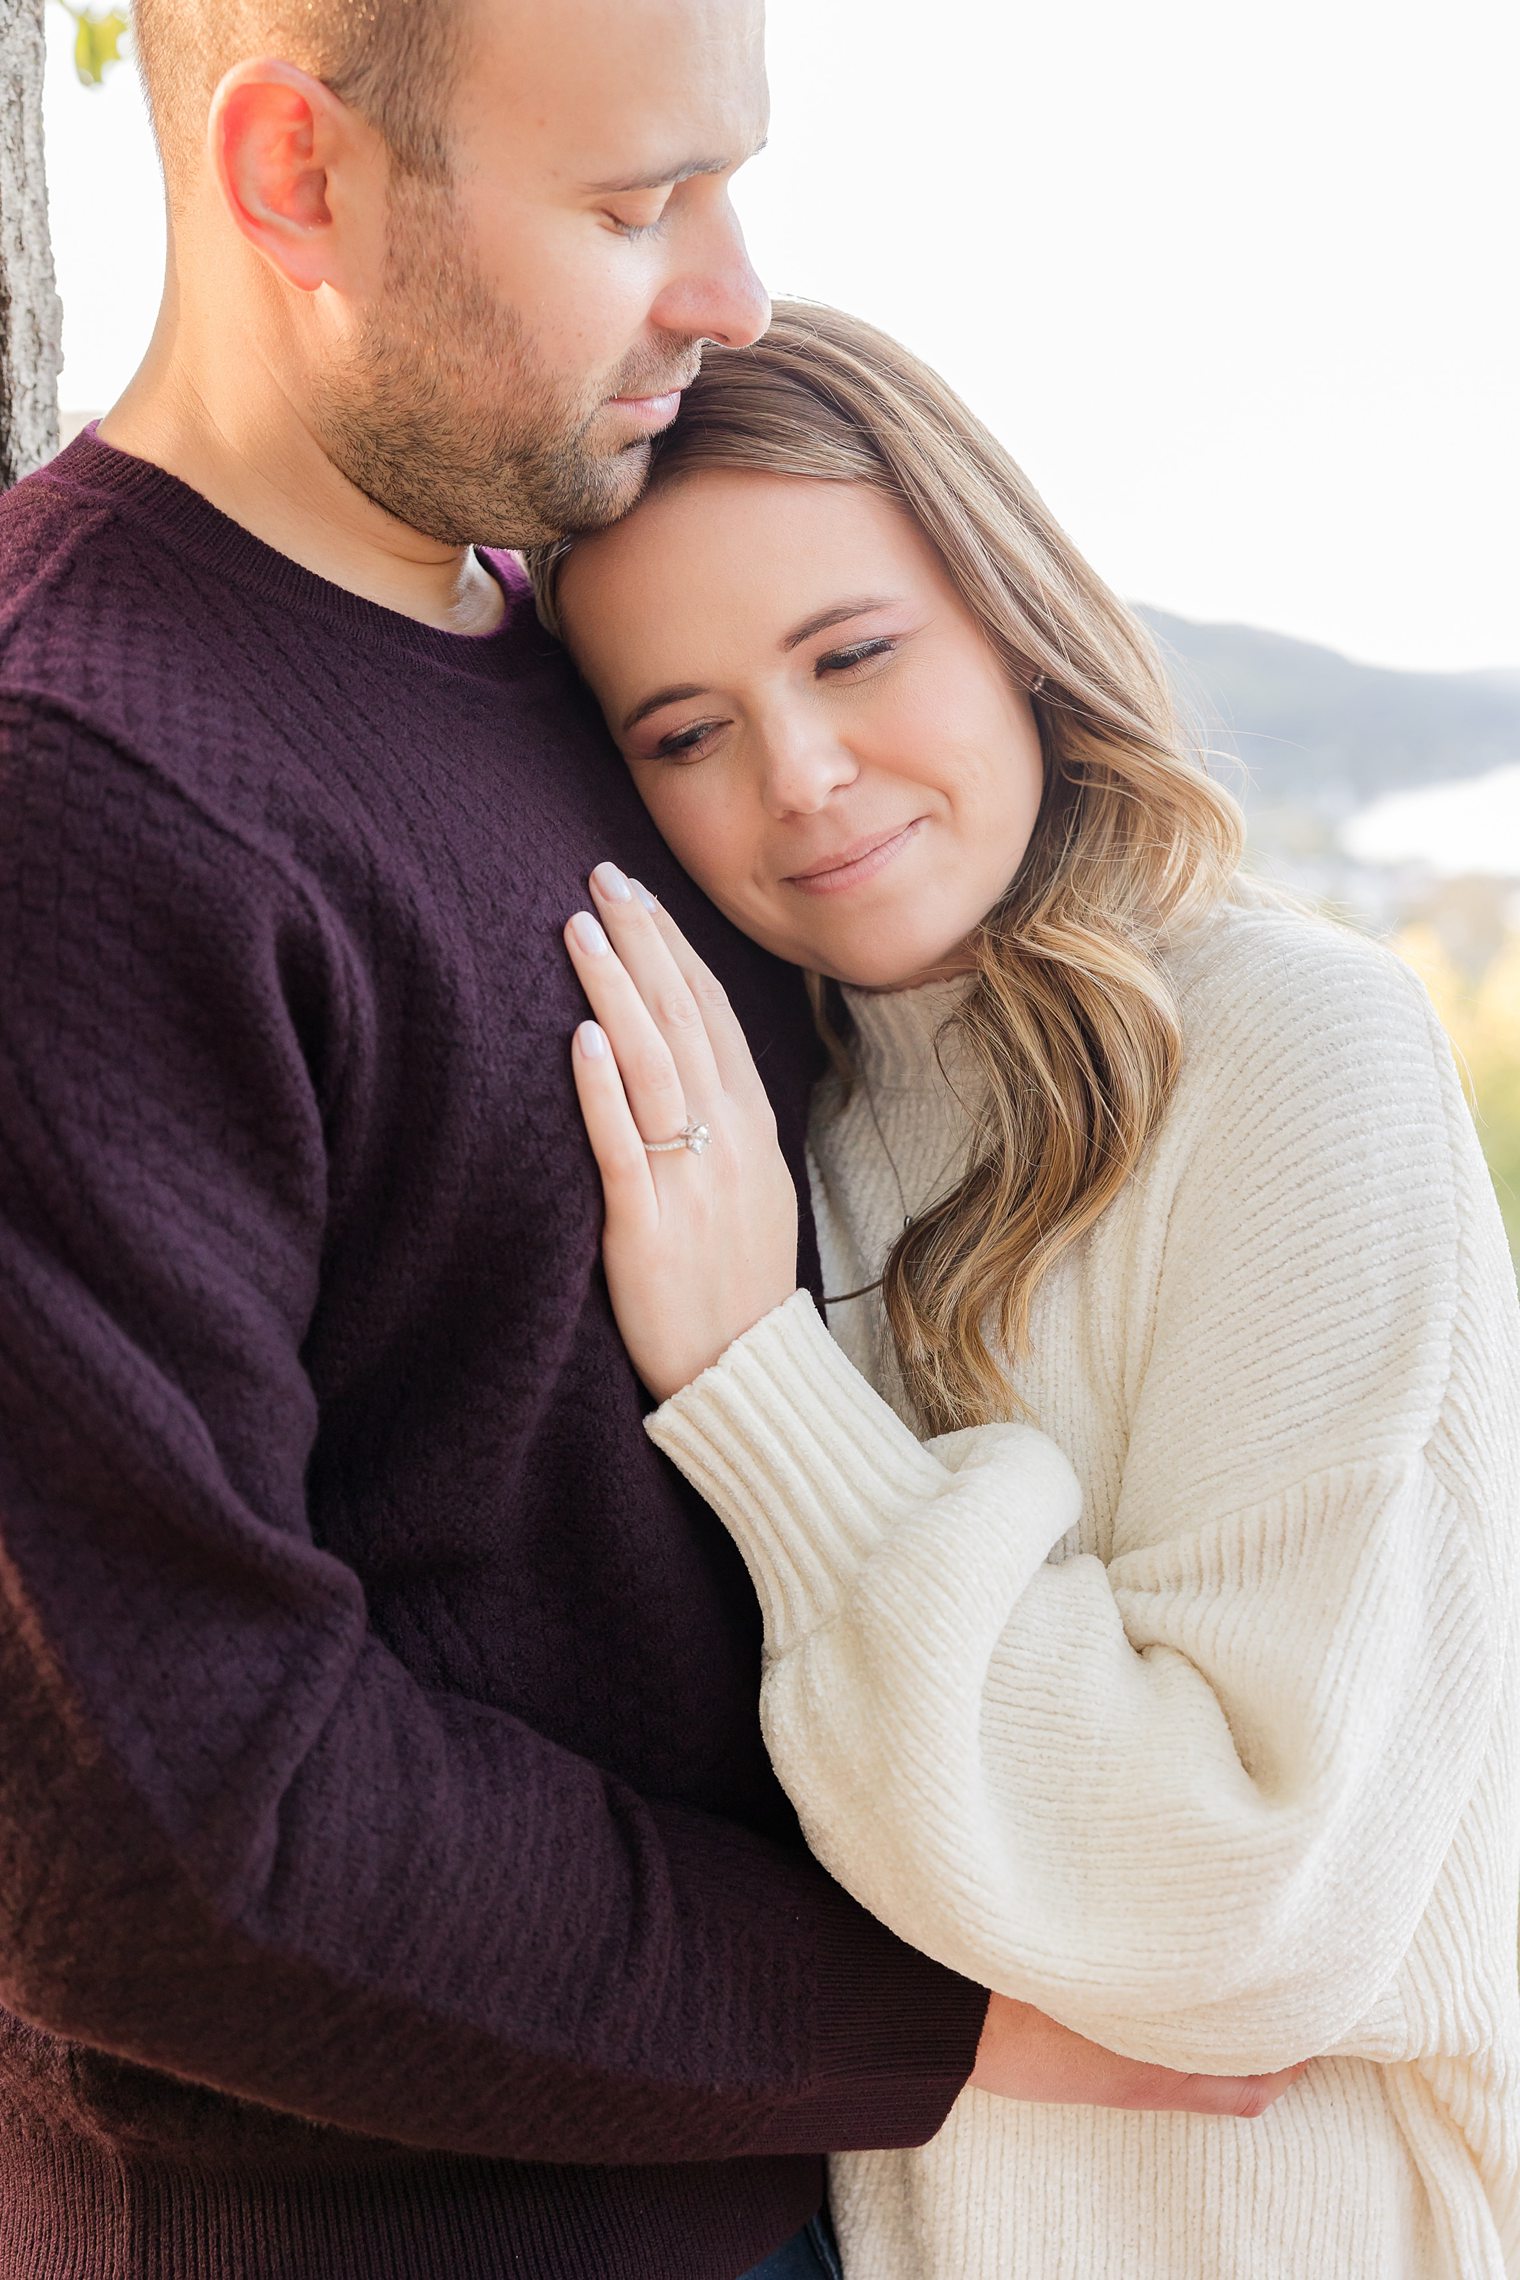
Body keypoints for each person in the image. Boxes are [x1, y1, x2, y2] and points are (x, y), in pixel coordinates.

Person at [0, 8, 1306, 2278]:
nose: (729, 290)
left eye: (725, 182)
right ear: (298, 176)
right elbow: (165, 1827)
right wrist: (942, 2017)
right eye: (631, 207)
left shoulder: (584, 644)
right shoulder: (79, 791)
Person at [534, 301, 1520, 2278]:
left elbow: (1241, 1896)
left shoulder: (1291, 1050)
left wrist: (756, 1382)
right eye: (687, 731)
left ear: (1006, 614)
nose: (801, 775)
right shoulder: (766, 1120)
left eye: (853, 653)